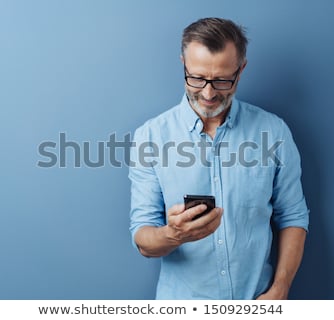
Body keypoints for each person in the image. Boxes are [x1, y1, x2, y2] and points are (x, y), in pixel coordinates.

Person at [129, 17, 309, 300]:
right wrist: (174, 234)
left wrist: (280, 288)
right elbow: (143, 240)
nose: (209, 93)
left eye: (223, 80)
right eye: (197, 78)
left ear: (241, 69)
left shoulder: (273, 131)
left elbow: (293, 216)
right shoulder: (150, 137)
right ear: (183, 65)